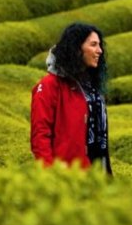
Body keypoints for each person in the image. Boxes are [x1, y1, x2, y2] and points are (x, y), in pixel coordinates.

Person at [30, 22, 112, 175]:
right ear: (76, 48)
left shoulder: (91, 86)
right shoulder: (49, 85)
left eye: (99, 45)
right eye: (93, 44)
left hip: (96, 172)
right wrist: (51, 174)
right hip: (68, 175)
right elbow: (40, 135)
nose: (99, 51)